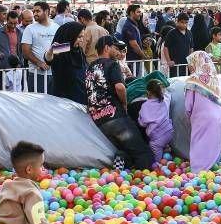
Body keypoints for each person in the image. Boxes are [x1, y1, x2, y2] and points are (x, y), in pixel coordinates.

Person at [85, 36, 154, 170]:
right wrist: (124, 103)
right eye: (115, 48)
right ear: (107, 48)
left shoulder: (89, 68)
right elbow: (120, 87)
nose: (118, 52)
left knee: (124, 147)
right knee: (142, 151)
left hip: (98, 119)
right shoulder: (112, 64)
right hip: (115, 116)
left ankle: (121, 168)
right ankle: (146, 176)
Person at [183, 50, 221, 172]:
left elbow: (188, 105)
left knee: (200, 142)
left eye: (190, 63)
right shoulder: (214, 78)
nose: (189, 66)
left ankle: (198, 169)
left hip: (204, 117)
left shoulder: (193, 80)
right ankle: (212, 166)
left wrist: (189, 116)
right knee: (214, 142)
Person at [21, 1, 59, 92]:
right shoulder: (30, 28)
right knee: (36, 100)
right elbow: (25, 52)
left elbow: (61, 48)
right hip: (36, 74)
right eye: (34, 11)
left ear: (46, 12)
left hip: (54, 74)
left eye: (38, 11)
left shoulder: (57, 27)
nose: (35, 14)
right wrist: (39, 63)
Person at [45, 22, 87, 104]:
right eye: (79, 37)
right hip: (63, 100)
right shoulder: (63, 48)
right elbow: (48, 59)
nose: (81, 40)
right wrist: (51, 51)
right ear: (71, 35)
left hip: (80, 97)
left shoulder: (78, 50)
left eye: (82, 37)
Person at [138, 78, 173, 162]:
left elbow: (143, 123)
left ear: (148, 92)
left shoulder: (145, 105)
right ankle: (167, 151)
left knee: (154, 146)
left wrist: (139, 119)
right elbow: (168, 94)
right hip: (169, 132)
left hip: (157, 137)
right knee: (163, 143)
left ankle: (158, 163)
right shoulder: (164, 101)